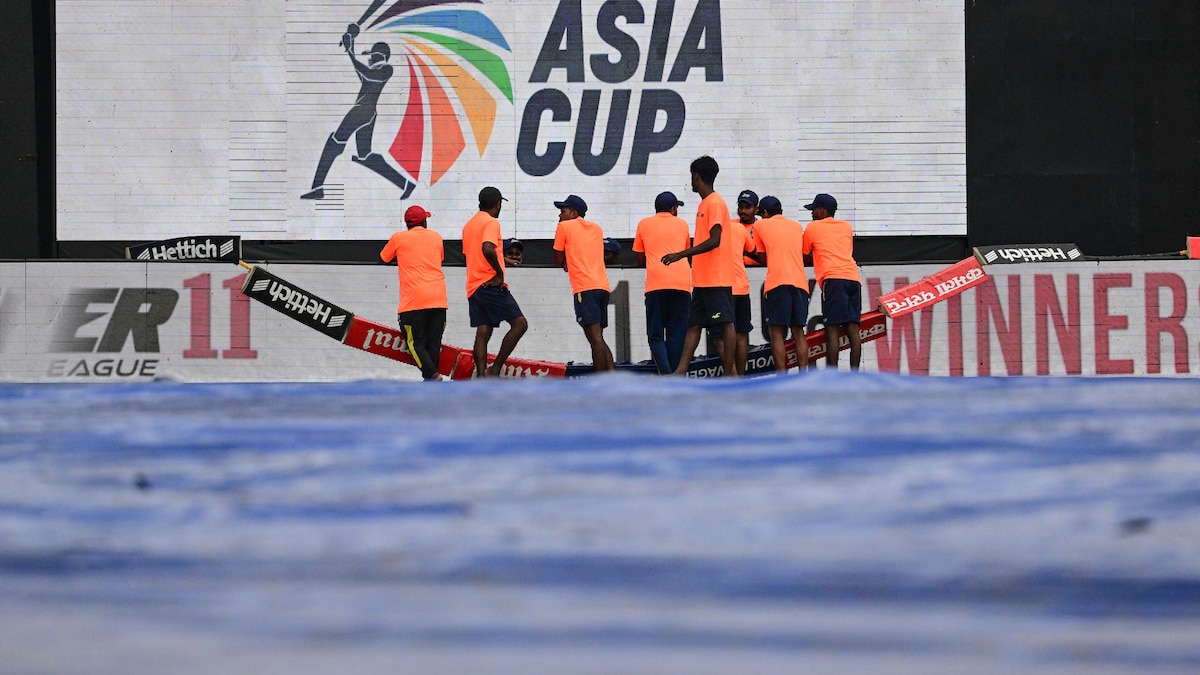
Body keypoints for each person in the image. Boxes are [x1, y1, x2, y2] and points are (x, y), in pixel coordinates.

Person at [301, 31, 414, 200]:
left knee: (334, 143)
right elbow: (363, 73)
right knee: (365, 156)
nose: (368, 58)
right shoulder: (375, 70)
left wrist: (350, 52)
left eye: (371, 55)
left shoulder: (386, 68)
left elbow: (368, 74)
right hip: (368, 113)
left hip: (361, 111)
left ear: (379, 56)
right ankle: (405, 184)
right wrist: (351, 46)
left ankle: (317, 187)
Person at [661, 155, 737, 377]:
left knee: (726, 323)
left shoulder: (714, 202)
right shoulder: (706, 204)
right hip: (703, 279)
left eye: (692, 177)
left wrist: (681, 255)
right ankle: (681, 370)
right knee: (694, 325)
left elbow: (715, 240)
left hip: (717, 277)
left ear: (696, 176)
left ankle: (731, 373)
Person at [462, 186, 528, 377]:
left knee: (483, 332)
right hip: (489, 283)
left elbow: (475, 254)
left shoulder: (469, 225)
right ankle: (495, 369)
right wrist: (499, 273)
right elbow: (487, 249)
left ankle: (482, 376)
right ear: (498, 204)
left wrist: (503, 259)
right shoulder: (491, 223)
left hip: (473, 286)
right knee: (520, 324)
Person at [379, 205, 447, 380]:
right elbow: (439, 258)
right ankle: (432, 380)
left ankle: (432, 375)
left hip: (413, 301)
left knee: (415, 343)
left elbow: (384, 257)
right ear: (424, 221)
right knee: (434, 343)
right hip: (438, 299)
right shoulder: (436, 237)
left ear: (407, 223)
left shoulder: (398, 238)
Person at [553, 195, 615, 372]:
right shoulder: (596, 228)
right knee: (599, 337)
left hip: (584, 287)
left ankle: (601, 381)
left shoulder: (564, 226)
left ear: (573, 213)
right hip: (602, 286)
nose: (559, 216)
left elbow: (558, 259)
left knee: (594, 338)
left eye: (563, 211)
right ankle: (612, 375)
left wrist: (566, 261)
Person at [633, 191, 692, 374]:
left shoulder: (643, 224)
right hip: (682, 285)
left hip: (656, 285)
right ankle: (675, 377)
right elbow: (685, 252)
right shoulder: (682, 225)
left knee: (656, 335)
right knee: (677, 335)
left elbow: (640, 258)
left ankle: (666, 375)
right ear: (673, 209)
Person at [802, 193, 863, 369]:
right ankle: (855, 375)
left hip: (833, 280)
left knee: (832, 329)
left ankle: (832, 376)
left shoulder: (812, 228)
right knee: (853, 329)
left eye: (813, 210)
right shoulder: (846, 227)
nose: (812, 214)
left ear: (821, 211)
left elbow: (805, 256)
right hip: (853, 278)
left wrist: (818, 258)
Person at [751, 196, 809, 374]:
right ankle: (803, 375)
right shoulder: (796, 226)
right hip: (800, 283)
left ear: (765, 213)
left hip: (777, 283)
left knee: (777, 333)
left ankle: (781, 377)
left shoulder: (760, 226)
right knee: (798, 332)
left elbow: (762, 257)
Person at [712, 189, 759, 375]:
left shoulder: (720, 229)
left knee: (721, 337)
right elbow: (754, 251)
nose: (742, 211)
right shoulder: (738, 228)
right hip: (740, 289)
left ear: (756, 208)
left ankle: (733, 376)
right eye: (740, 206)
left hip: (723, 289)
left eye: (747, 207)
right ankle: (739, 378)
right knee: (739, 336)